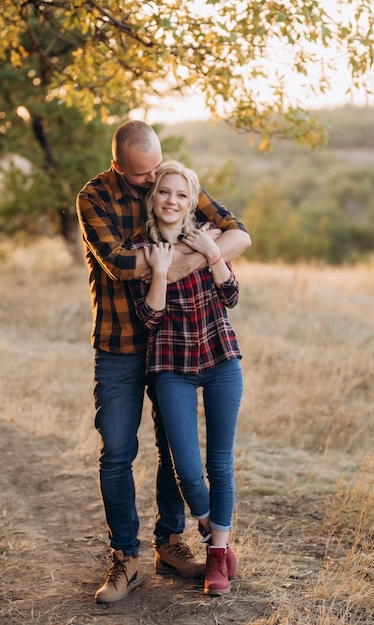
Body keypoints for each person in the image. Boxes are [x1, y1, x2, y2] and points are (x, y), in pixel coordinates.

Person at [76, 121, 250, 603]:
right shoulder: (93, 198)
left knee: (174, 451)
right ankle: (125, 558)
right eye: (145, 178)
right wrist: (177, 259)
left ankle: (171, 543)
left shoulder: (173, 184)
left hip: (179, 350)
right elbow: (119, 263)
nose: (158, 186)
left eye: (160, 173)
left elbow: (240, 234)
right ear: (119, 168)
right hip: (120, 342)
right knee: (116, 450)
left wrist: (199, 252)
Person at [128, 161, 243, 595]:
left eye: (181, 194)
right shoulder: (142, 248)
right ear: (152, 197)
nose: (172, 201)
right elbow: (149, 318)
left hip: (220, 359)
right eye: (164, 192)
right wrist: (159, 271)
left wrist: (213, 255)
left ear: (191, 201)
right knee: (187, 469)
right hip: (171, 365)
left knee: (220, 463)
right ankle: (211, 527)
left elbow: (231, 296)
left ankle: (217, 556)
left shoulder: (207, 237)